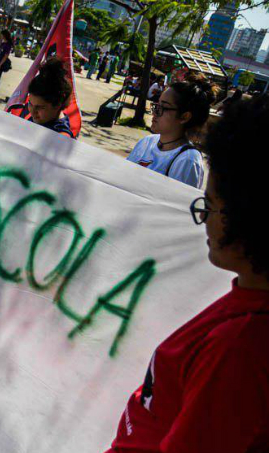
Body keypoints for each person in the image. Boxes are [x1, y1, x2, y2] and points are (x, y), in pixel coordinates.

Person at [106, 94, 269, 453]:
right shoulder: (246, 304)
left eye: (209, 205)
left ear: (247, 217)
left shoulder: (241, 347)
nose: (202, 218)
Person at [127, 74, 217, 188]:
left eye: (163, 108)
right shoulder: (146, 142)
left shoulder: (187, 160)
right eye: (157, 105)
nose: (154, 113)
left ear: (184, 117)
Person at [26, 56, 75, 138]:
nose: (32, 112)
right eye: (30, 104)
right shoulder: (42, 118)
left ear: (57, 105)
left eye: (40, 107)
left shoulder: (61, 138)